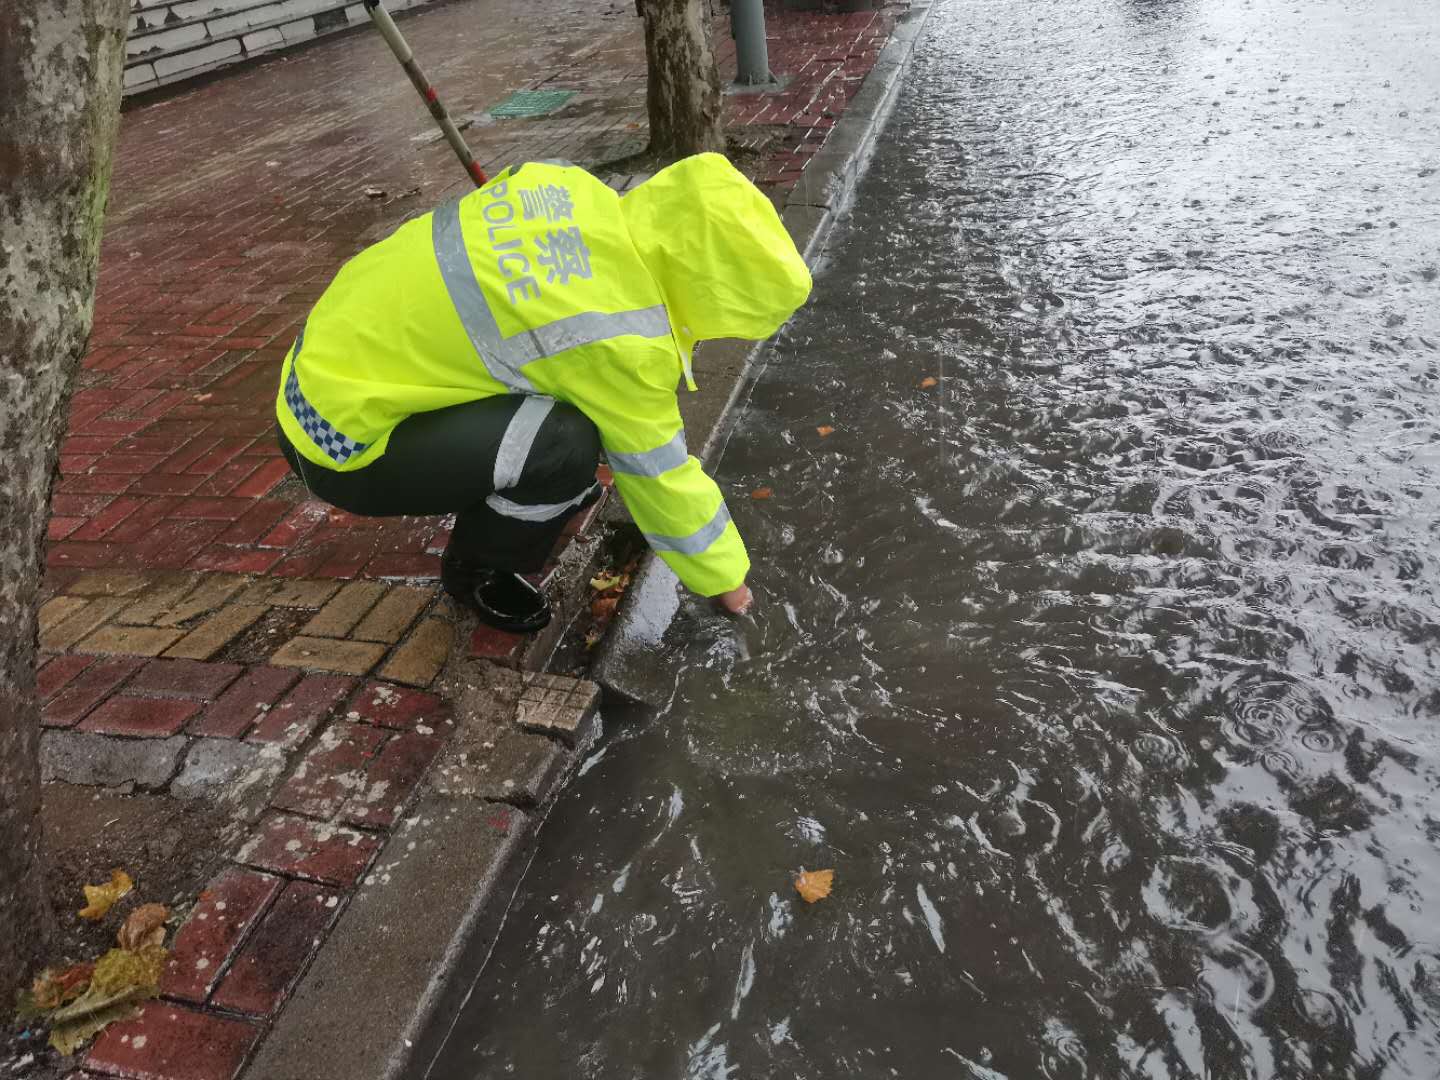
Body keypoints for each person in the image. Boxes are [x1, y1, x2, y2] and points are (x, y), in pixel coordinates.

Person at [275, 152, 812, 632]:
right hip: (341, 446)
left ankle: (513, 492)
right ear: (714, 292)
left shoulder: (565, 186)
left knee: (564, 409)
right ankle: (476, 569)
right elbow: (660, 475)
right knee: (567, 445)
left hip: (310, 380)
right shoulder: (620, 337)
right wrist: (726, 579)